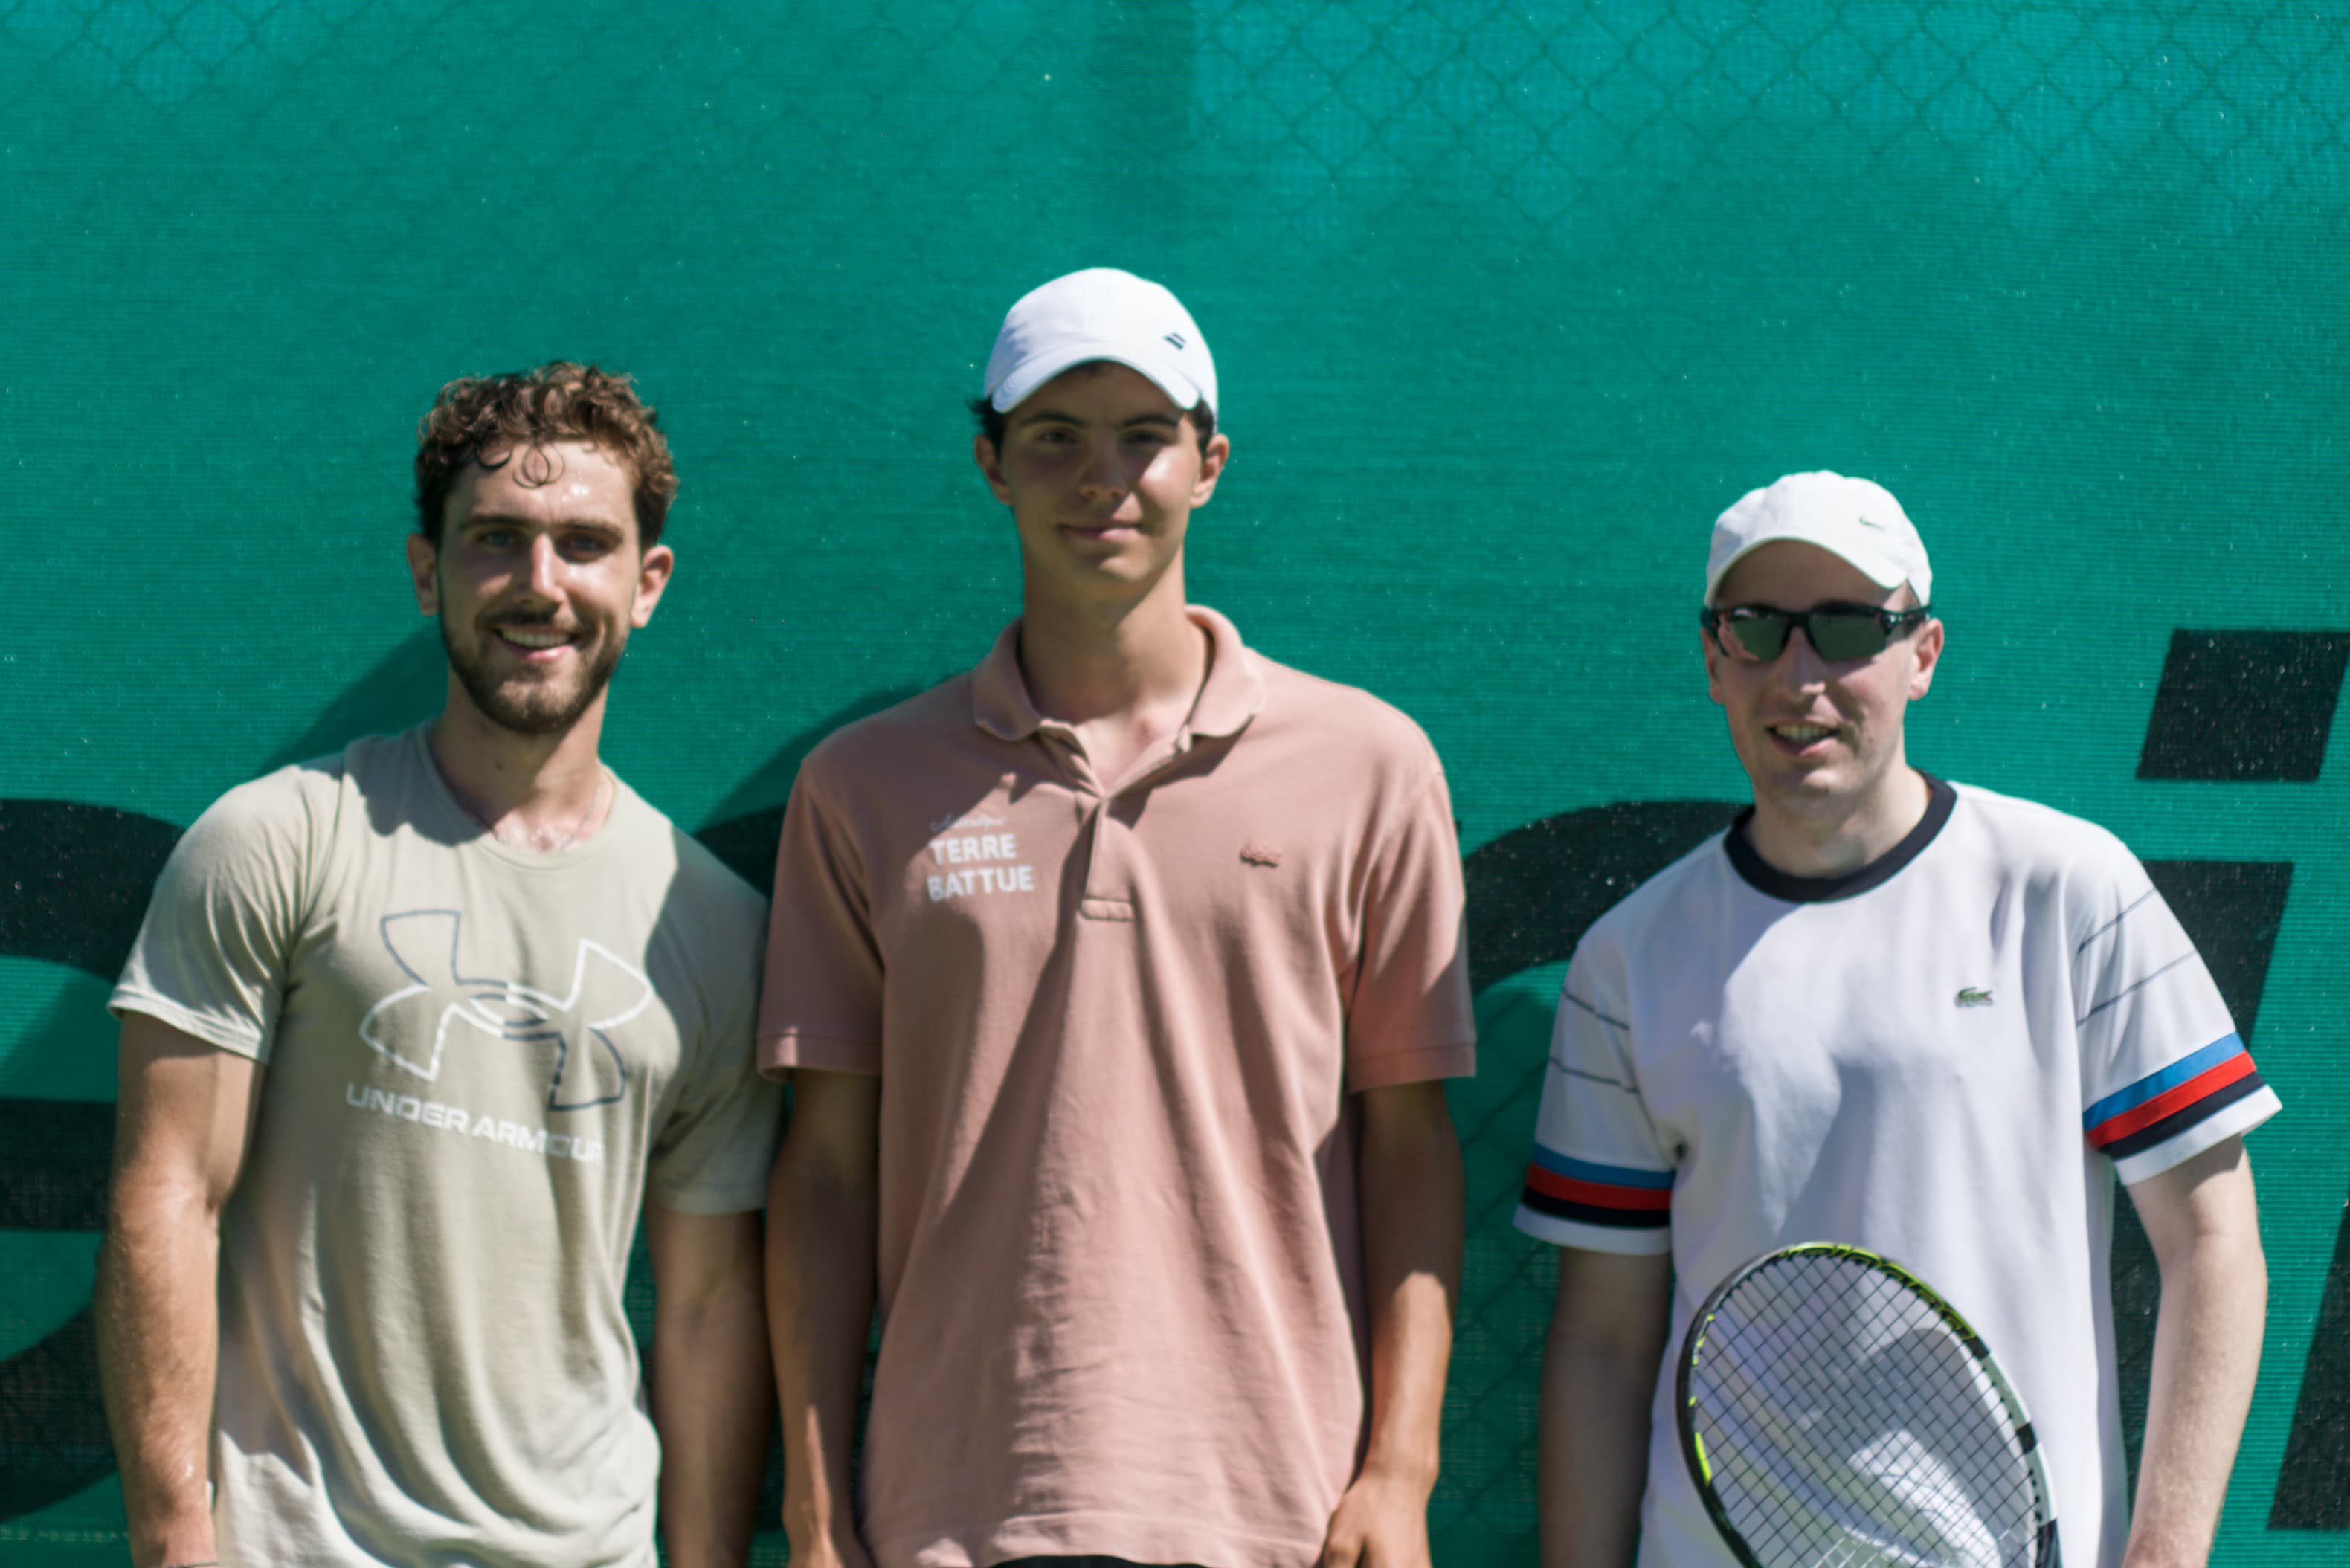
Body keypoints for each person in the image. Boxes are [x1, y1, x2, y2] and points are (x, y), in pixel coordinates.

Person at [762, 268, 1478, 1568]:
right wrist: (816, 1515)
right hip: (952, 1514)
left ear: (1209, 462)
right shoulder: (862, 785)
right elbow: (822, 1172)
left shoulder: (1372, 765)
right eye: (1055, 438)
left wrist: (1401, 1470)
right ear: (992, 464)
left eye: (1145, 436)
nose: (1104, 477)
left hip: (1281, 1514)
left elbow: (1410, 1144)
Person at [1516, 471, 2278, 1568]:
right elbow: (1601, 1340)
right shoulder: (1628, 960)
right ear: (1712, 658)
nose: (1801, 672)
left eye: (1846, 628)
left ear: (1922, 655)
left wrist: (2165, 1554)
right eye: (1758, 627)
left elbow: (2215, 1244)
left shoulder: (2067, 889)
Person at [97, 364, 782, 1568]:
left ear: (648, 582)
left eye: (583, 543)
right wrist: (172, 1541)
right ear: (429, 572)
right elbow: (166, 1197)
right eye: (496, 542)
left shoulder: (714, 926)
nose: (540, 585)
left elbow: (712, 1304)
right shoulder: (280, 839)